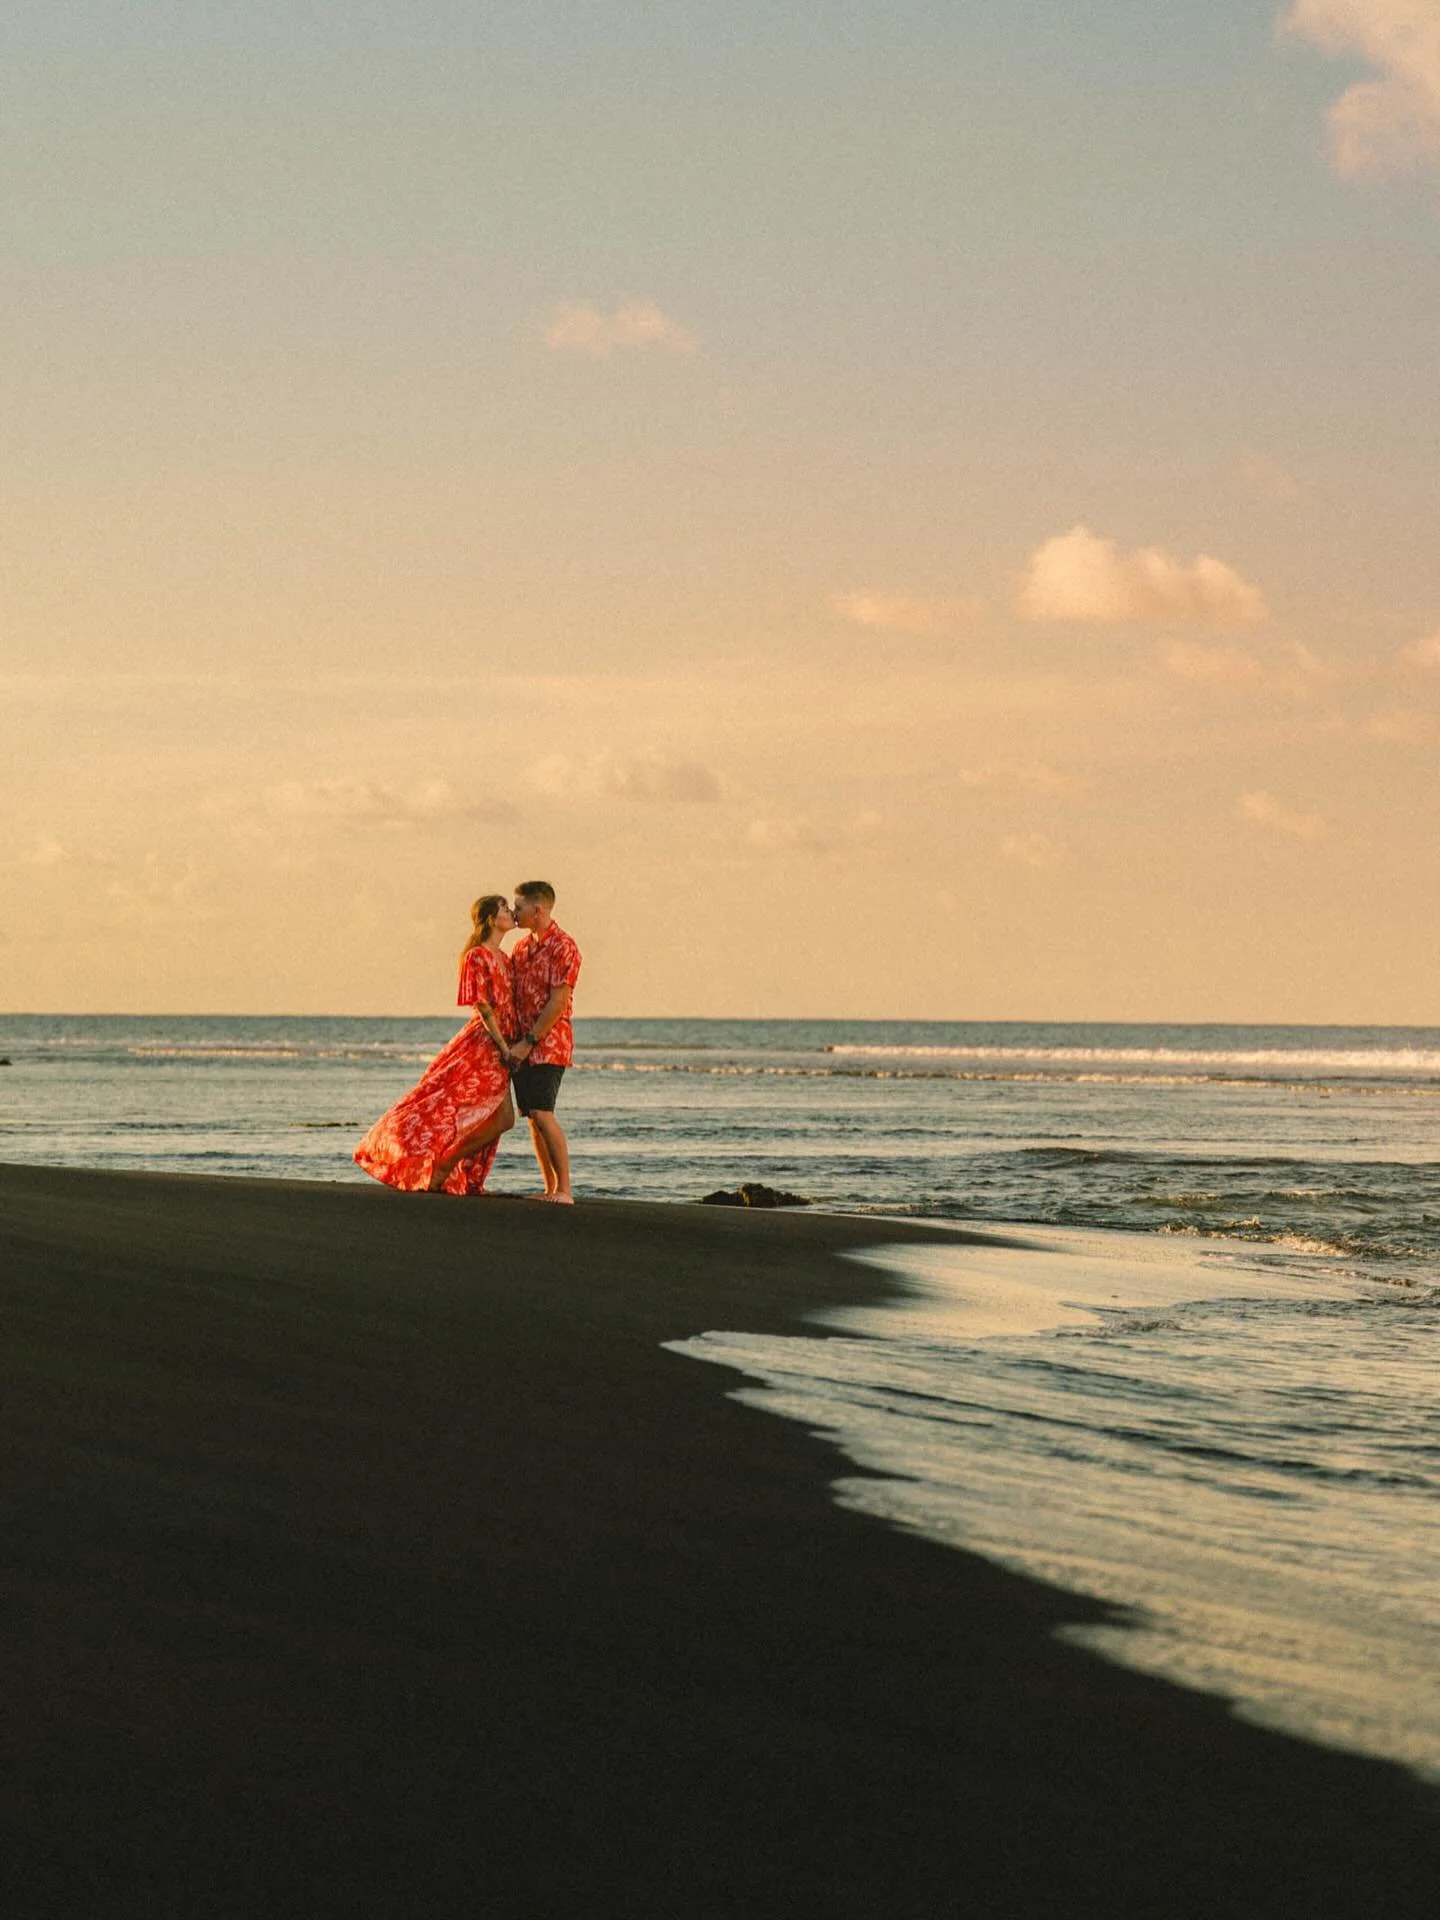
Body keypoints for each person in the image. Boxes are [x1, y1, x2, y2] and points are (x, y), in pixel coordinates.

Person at [353, 894, 519, 1195]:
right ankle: (443, 1164)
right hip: (485, 1043)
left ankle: (454, 1169)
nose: (511, 913)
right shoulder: (476, 956)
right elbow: (482, 1007)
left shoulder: (505, 958)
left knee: (497, 1116)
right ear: (493, 919)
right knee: (495, 1115)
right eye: (505, 909)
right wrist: (503, 1046)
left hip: (501, 1042)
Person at [507, 880, 582, 1204]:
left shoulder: (564, 946)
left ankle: (564, 1190)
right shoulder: (522, 947)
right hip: (521, 1042)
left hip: (548, 1043)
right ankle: (550, 1188)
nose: (514, 912)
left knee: (543, 1112)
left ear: (537, 909)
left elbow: (558, 1001)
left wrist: (530, 1040)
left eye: (519, 907)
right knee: (532, 1117)